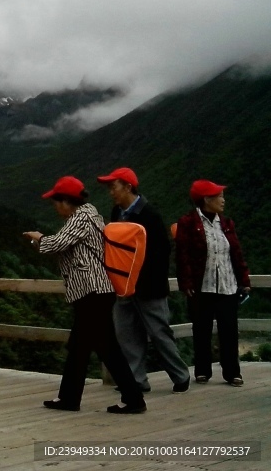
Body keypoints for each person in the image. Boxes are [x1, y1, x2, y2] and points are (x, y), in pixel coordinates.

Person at [23, 176, 146, 414]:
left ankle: (133, 399)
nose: (55, 207)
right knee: (79, 347)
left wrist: (37, 237)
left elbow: (56, 243)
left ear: (67, 202)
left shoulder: (82, 217)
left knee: (105, 347)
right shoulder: (85, 216)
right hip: (92, 292)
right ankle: (70, 398)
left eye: (56, 202)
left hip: (93, 291)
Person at [97, 167, 190, 394]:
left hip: (149, 287)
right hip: (123, 286)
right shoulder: (117, 212)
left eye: (114, 186)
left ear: (128, 187)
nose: (111, 192)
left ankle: (181, 375)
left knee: (159, 332)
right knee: (127, 334)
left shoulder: (149, 215)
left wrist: (141, 278)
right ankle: (136, 380)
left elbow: (162, 252)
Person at [175, 180, 251, 387]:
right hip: (202, 285)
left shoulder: (226, 224)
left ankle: (232, 372)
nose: (223, 200)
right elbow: (182, 255)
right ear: (206, 200)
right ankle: (202, 370)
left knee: (229, 329)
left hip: (227, 284)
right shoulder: (188, 222)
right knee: (202, 329)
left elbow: (236, 253)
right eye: (219, 196)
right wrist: (186, 282)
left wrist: (244, 280)